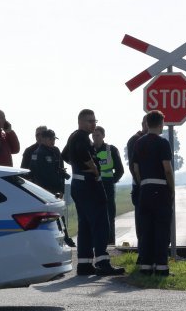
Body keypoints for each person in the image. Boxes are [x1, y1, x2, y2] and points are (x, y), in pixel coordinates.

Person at [61, 109, 125, 276]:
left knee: (86, 225)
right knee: (100, 223)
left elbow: (65, 154)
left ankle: (84, 263)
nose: (93, 124)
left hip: (78, 183)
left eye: (94, 121)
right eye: (89, 121)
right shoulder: (82, 137)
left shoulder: (73, 136)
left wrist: (77, 165)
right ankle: (102, 262)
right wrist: (93, 168)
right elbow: (82, 152)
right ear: (81, 121)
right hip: (88, 184)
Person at [132, 110, 175, 276]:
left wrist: (143, 182)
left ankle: (146, 266)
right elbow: (167, 169)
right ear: (161, 123)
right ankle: (161, 267)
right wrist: (171, 189)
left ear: (147, 123)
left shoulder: (138, 143)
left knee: (146, 230)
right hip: (160, 188)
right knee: (161, 229)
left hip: (144, 189)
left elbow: (135, 168)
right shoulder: (162, 143)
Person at [29, 129, 75, 247]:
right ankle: (51, 240)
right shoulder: (38, 153)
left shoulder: (55, 151)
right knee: (48, 218)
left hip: (57, 189)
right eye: (50, 139)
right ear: (43, 139)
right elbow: (39, 175)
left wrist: (61, 188)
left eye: (54, 139)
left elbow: (59, 169)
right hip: (45, 190)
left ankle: (65, 237)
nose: (53, 141)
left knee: (60, 215)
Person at [91, 126, 124, 245]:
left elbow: (120, 170)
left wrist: (112, 180)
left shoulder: (111, 150)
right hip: (93, 186)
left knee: (109, 215)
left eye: (98, 135)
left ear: (103, 136)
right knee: (94, 216)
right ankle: (95, 243)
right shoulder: (89, 150)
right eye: (93, 136)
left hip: (108, 186)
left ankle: (110, 243)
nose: (95, 138)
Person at [126, 116, 149, 248]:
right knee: (141, 221)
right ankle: (142, 251)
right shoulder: (135, 140)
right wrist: (140, 183)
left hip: (150, 185)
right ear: (143, 124)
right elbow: (132, 166)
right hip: (140, 186)